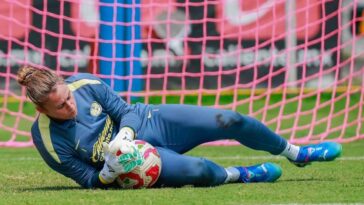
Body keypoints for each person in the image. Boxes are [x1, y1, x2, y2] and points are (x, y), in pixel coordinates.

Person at [17, 65, 342, 189]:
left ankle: (296, 152)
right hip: (135, 164)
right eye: (60, 106)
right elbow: (86, 179)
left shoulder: (85, 83)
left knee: (229, 119)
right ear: (40, 108)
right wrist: (107, 173)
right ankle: (242, 174)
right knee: (200, 170)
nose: (69, 104)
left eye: (68, 96)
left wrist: (127, 134)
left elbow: (125, 110)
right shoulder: (45, 139)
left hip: (149, 122)